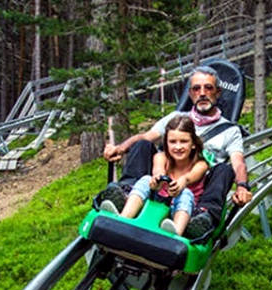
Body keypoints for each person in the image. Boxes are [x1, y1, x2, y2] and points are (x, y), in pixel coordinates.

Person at [101, 65, 253, 237]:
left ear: (218, 93)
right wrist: (119, 149)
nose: (202, 93)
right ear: (190, 94)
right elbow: (147, 136)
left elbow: (238, 163)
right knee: (143, 144)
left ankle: (203, 217)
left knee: (225, 170)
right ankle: (126, 193)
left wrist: (242, 187)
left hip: (197, 189)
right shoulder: (175, 119)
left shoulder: (229, 131)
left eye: (208, 88)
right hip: (163, 181)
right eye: (197, 88)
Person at [101, 115, 208, 236]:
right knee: (145, 179)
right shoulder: (161, 157)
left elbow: (190, 177)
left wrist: (182, 182)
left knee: (186, 193)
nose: (178, 147)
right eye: (173, 142)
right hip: (157, 204)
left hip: (181, 211)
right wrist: (157, 179)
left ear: (193, 144)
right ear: (166, 144)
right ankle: (124, 217)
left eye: (183, 141)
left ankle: (176, 232)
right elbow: (158, 170)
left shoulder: (200, 164)